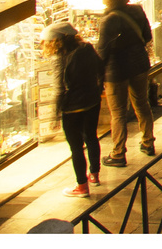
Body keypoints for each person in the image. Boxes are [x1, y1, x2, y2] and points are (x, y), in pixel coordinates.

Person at [96, 0, 155, 165]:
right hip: (138, 65)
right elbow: (147, 36)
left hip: (116, 71)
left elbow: (102, 52)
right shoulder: (137, 10)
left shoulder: (108, 20)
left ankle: (118, 153)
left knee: (118, 112)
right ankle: (148, 143)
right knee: (142, 104)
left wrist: (97, 78)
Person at [43, 22, 102, 198]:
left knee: (76, 148)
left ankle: (81, 186)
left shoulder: (58, 59)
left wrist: (55, 115)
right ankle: (94, 175)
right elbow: (100, 68)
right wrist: (97, 90)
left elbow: (59, 89)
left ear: (56, 42)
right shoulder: (87, 48)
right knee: (91, 137)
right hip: (92, 101)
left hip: (72, 108)